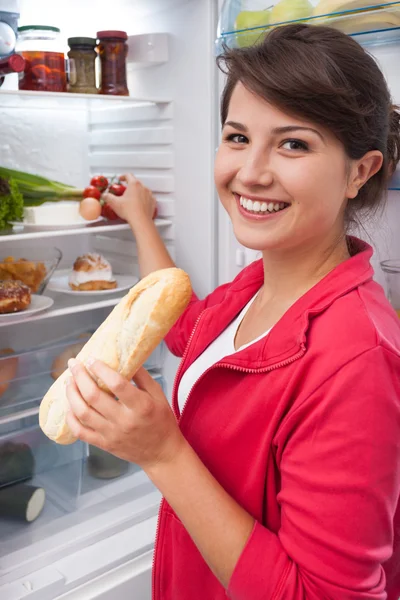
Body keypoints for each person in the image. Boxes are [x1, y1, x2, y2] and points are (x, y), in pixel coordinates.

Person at [66, 23, 400, 600]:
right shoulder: (257, 285)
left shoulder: (357, 361)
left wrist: (162, 452)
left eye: (293, 143)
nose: (250, 172)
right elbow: (183, 328)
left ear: (359, 172)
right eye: (238, 137)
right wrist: (142, 220)